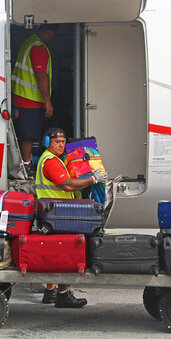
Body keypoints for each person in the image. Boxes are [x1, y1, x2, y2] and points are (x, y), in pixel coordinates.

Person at [36, 127, 107, 308]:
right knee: (66, 254)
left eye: (63, 142)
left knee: (55, 254)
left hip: (56, 213)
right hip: (58, 214)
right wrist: (93, 179)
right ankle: (63, 294)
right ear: (47, 143)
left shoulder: (56, 160)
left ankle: (50, 291)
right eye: (57, 142)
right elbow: (67, 186)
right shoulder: (50, 161)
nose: (61, 145)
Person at [11, 23, 58, 177]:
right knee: (28, 134)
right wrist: (48, 102)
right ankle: (26, 165)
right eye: (53, 33)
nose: (53, 37)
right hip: (29, 98)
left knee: (25, 132)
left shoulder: (28, 42)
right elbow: (41, 76)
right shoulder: (39, 48)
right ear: (48, 31)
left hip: (20, 95)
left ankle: (25, 162)